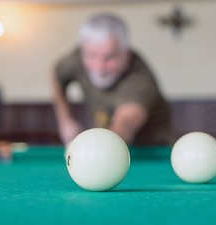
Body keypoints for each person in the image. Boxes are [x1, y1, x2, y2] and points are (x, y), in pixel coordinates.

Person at [52, 13, 174, 146]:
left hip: (153, 155)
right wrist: (65, 120)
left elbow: (124, 127)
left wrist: (91, 151)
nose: (99, 67)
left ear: (126, 54)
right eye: (91, 55)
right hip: (110, 146)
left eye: (109, 57)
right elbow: (57, 76)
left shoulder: (140, 81)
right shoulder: (77, 59)